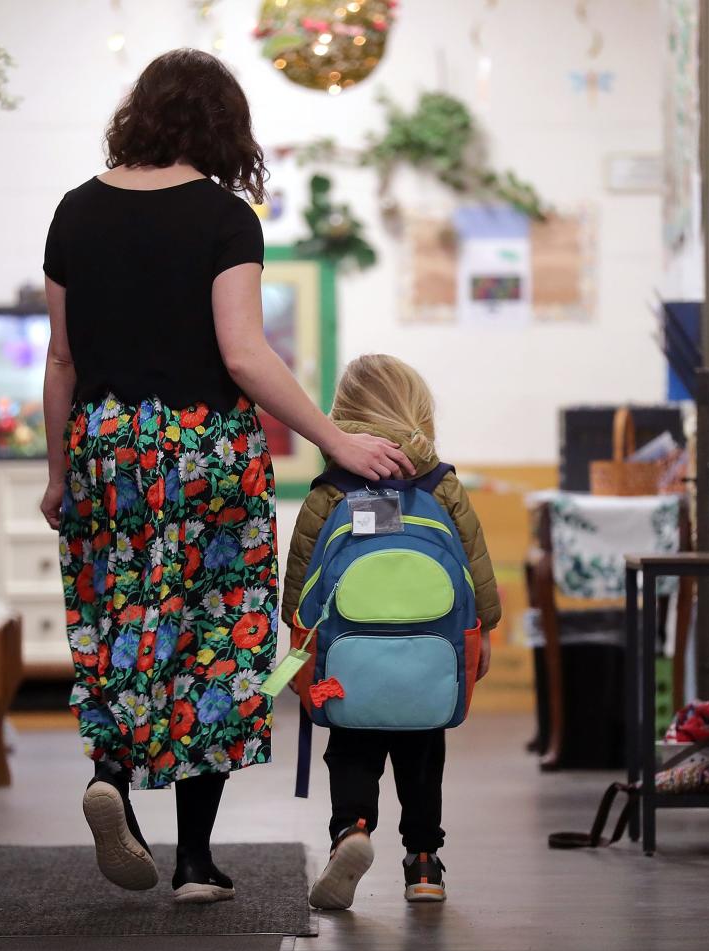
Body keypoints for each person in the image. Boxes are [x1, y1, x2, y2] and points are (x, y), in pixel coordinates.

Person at [39, 49, 414, 904]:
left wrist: (60, 474)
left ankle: (110, 774)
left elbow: (61, 359)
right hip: (207, 448)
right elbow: (243, 354)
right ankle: (196, 861)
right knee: (215, 635)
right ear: (220, 128)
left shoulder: (74, 212)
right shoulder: (223, 217)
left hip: (108, 444)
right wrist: (336, 441)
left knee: (118, 615)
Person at [281, 354, 501, 909]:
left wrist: (295, 648)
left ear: (344, 413)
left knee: (351, 746)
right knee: (423, 751)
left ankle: (350, 833)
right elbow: (475, 566)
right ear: (418, 412)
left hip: (348, 663)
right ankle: (424, 862)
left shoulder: (332, 486)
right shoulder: (441, 482)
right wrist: (486, 633)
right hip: (431, 655)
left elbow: (302, 575)